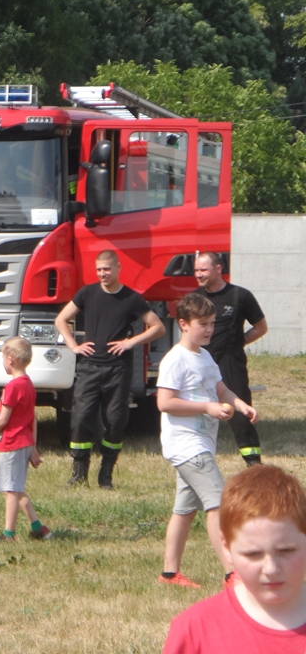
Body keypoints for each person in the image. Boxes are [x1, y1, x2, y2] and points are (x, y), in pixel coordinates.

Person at [156, 292, 258, 588]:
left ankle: (169, 574)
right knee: (219, 504)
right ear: (184, 324)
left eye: (212, 323)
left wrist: (240, 405)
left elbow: (221, 389)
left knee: (185, 510)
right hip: (187, 446)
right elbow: (164, 402)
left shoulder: (205, 356)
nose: (210, 329)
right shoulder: (175, 359)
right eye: (203, 324)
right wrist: (206, 408)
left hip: (201, 443)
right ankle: (232, 573)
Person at [162, 465, 306, 651]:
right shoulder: (195, 630)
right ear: (226, 547)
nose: (271, 569)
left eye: (286, 551)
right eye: (253, 554)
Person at [54, 249, 165, 489]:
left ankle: (106, 473)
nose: (103, 274)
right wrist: (73, 345)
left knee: (116, 421)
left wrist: (131, 342)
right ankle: (79, 474)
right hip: (89, 368)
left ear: (118, 268)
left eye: (107, 269)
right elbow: (61, 320)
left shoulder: (131, 298)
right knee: (81, 419)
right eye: (99, 270)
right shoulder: (87, 293)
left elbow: (158, 327)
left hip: (118, 370)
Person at [193, 251, 268, 466]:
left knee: (240, 416)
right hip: (202, 361)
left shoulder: (240, 296)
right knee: (200, 413)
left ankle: (254, 465)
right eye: (197, 270)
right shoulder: (195, 298)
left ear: (218, 269)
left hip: (231, 362)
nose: (199, 274)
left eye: (203, 270)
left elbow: (261, 327)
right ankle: (199, 461)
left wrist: (240, 341)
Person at [0, 337, 53, 543]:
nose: (2, 361)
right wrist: (33, 447)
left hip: (12, 443)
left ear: (10, 360)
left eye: (2, 357)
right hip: (25, 442)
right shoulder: (28, 384)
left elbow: (3, 418)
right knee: (16, 489)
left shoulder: (13, 387)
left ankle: (9, 534)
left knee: (10, 490)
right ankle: (39, 528)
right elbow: (33, 417)